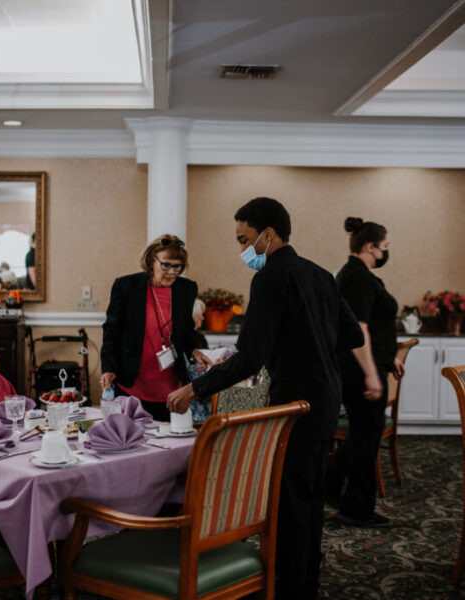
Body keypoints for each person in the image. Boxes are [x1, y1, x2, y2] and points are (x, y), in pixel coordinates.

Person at [167, 197, 364, 600]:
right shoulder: (321, 275)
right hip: (326, 399)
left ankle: (289, 587)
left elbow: (250, 356)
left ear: (268, 234)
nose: (242, 250)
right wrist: (316, 349)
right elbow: (353, 336)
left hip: (293, 405)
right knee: (309, 499)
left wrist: (194, 388)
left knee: (290, 502)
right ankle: (306, 580)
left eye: (244, 240)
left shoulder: (271, 276)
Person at [326, 217, 404, 528]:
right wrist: (372, 374)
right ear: (371, 247)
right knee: (366, 439)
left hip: (362, 367)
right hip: (359, 372)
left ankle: (328, 487)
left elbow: (373, 324)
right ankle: (356, 509)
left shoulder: (356, 273)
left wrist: (388, 359)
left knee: (360, 436)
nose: (386, 252)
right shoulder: (357, 277)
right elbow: (359, 329)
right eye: (385, 247)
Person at [100, 234, 211, 422]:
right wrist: (108, 367)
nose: (172, 272)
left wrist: (194, 350)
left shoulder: (186, 289)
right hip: (132, 382)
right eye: (166, 265)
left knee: (168, 440)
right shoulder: (127, 286)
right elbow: (111, 330)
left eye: (177, 266)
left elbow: (186, 331)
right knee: (130, 441)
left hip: (170, 388)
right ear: (152, 260)